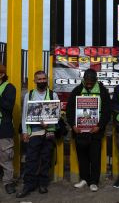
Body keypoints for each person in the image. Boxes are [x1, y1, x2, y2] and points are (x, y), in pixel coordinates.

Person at [66, 68, 111, 192]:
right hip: (79, 131)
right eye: (87, 82)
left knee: (95, 157)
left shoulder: (102, 91)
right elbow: (69, 110)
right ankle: (84, 179)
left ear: (96, 80)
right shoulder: (77, 90)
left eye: (91, 82)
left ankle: (94, 182)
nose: (89, 84)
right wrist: (73, 125)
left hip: (96, 131)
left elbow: (107, 111)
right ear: (84, 80)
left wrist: (99, 126)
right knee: (82, 157)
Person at [16, 70, 59, 198]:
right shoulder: (29, 95)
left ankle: (42, 184)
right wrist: (24, 132)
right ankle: (28, 185)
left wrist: (50, 122)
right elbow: (24, 115)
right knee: (31, 160)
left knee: (46, 159)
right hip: (33, 133)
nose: (41, 81)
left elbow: (56, 115)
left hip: (48, 132)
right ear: (34, 81)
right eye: (39, 79)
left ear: (47, 80)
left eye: (43, 79)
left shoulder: (53, 95)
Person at [0, 64, 16, 194]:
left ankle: (8, 182)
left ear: (1, 74)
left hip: (3, 129)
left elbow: (8, 106)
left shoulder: (9, 88)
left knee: (6, 157)